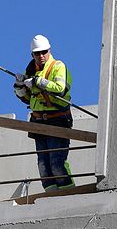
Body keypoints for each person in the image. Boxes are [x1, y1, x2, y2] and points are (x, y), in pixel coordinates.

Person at [13, 34, 75, 191]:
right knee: (44, 168)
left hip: (57, 120)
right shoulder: (31, 71)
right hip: (39, 122)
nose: (41, 56)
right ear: (32, 55)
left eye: (44, 52)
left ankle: (69, 194)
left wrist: (37, 82)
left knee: (56, 164)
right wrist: (20, 87)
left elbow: (60, 89)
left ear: (49, 50)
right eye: (37, 53)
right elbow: (29, 100)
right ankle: (52, 198)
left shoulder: (58, 66)